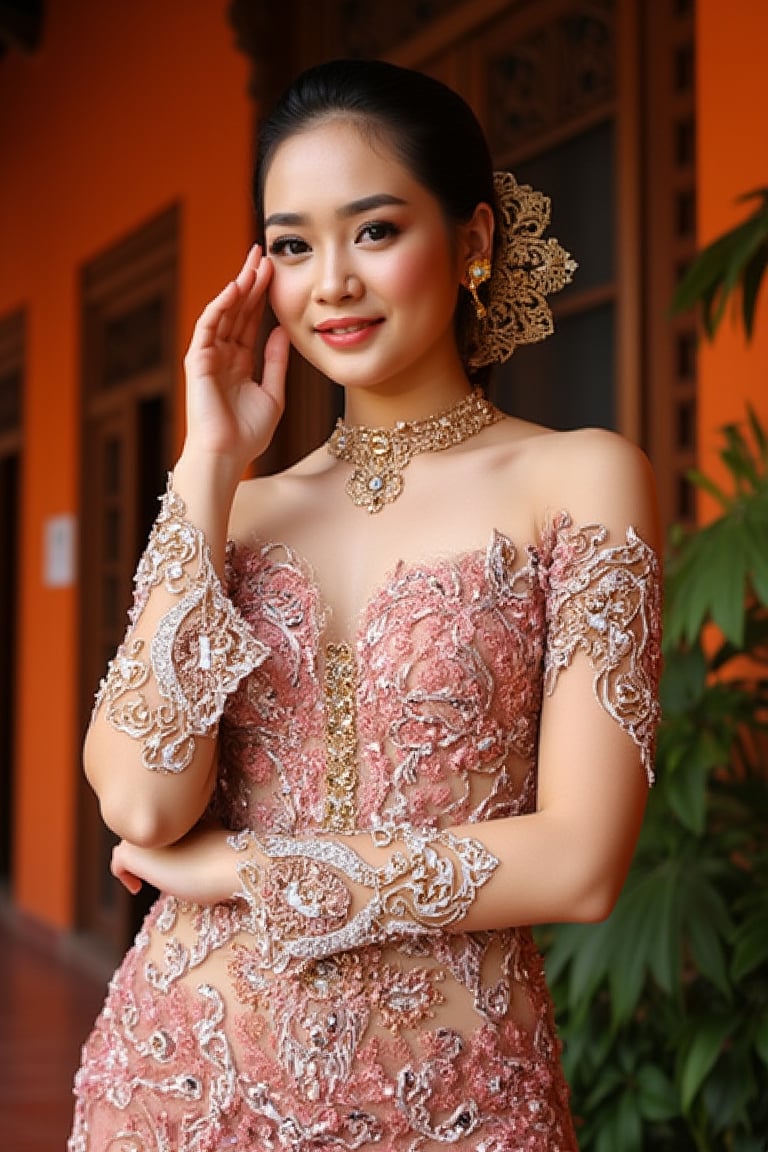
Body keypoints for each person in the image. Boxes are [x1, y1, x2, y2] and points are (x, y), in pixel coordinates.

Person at [68, 58, 661, 1152]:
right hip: (179, 1082)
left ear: (475, 239)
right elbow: (144, 809)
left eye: (374, 230)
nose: (330, 281)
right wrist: (206, 459)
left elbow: (581, 864)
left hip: (453, 1096)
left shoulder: (579, 481)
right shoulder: (234, 511)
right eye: (292, 245)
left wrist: (236, 870)